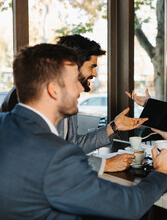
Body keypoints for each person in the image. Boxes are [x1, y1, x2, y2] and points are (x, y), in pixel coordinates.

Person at [0, 43, 167, 219]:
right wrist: (160, 172)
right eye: (74, 81)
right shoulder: (57, 157)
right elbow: (129, 206)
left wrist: (113, 127)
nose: (82, 88)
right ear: (53, 90)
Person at [0, 34, 140, 173]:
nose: (95, 74)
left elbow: (73, 145)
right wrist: (104, 164)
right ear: (73, 65)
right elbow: (41, 154)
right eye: (92, 67)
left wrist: (113, 127)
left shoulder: (67, 98)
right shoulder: (30, 95)